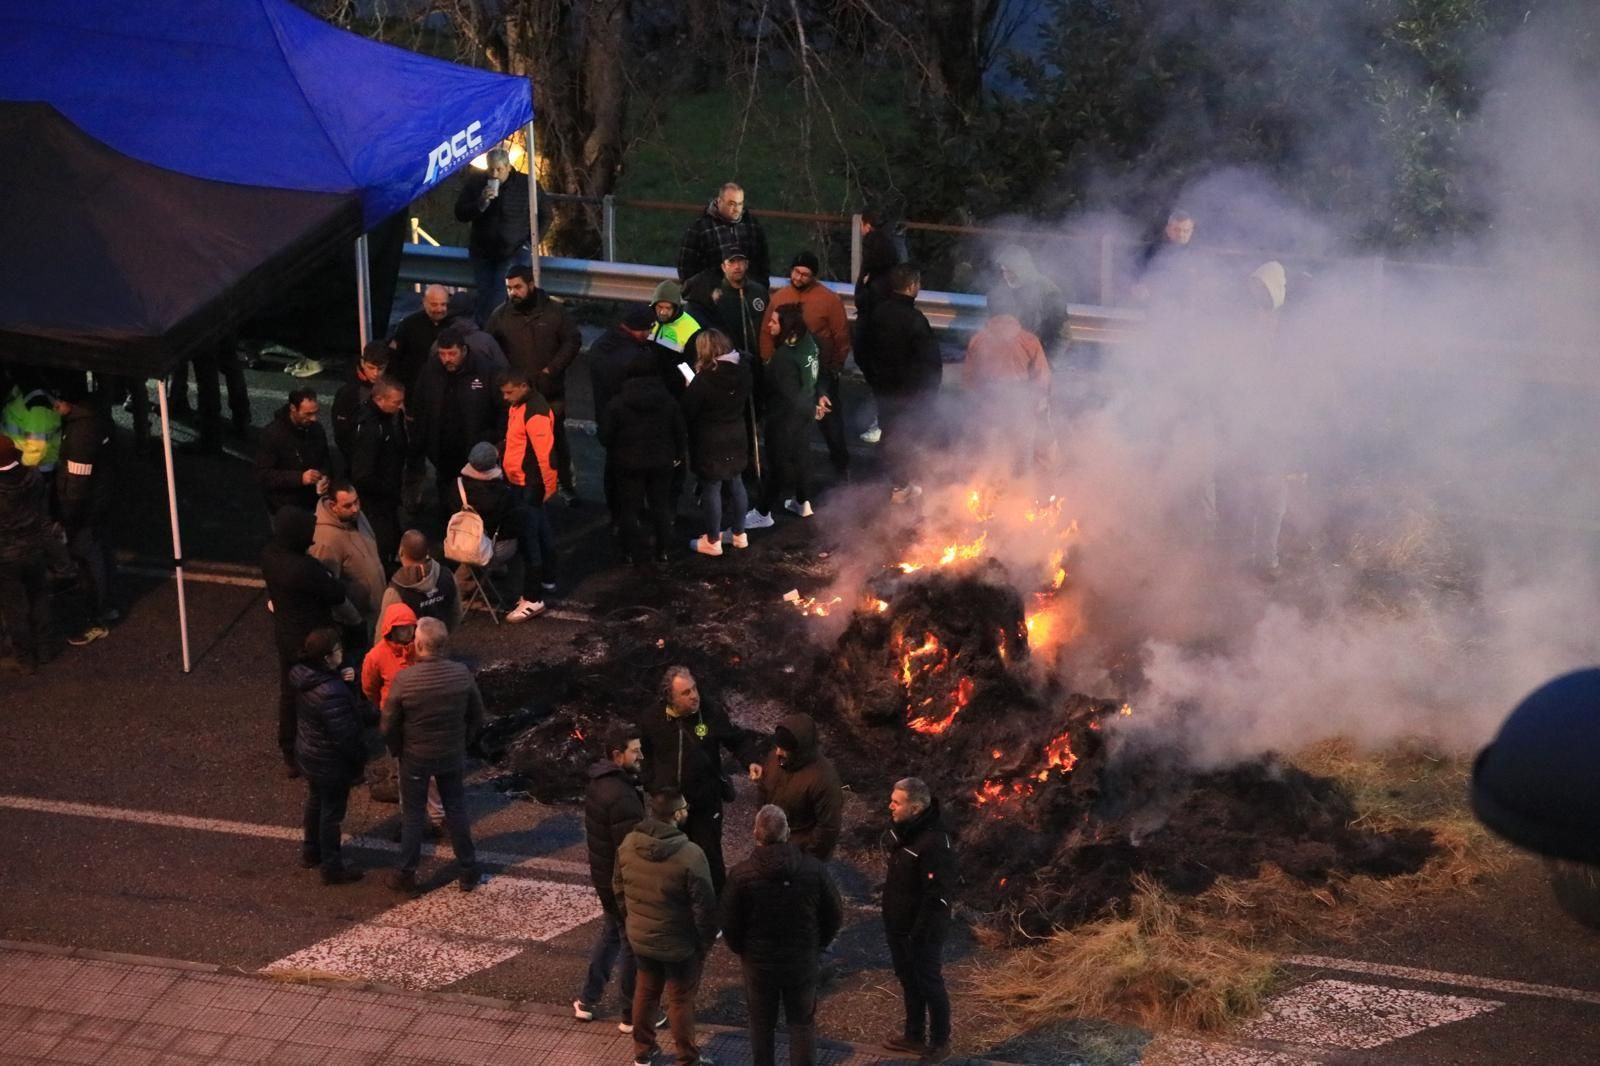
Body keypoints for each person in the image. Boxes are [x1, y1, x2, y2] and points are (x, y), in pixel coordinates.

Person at [721, 805, 844, 1066]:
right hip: (801, 959)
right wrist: (818, 943)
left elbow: (730, 923)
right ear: (787, 832)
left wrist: (743, 949)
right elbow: (834, 913)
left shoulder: (741, 875)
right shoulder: (813, 869)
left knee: (761, 1023)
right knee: (801, 1022)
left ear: (756, 832)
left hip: (758, 962)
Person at [613, 788, 719, 1066]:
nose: (687, 811)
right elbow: (705, 907)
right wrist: (703, 942)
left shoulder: (628, 844)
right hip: (680, 944)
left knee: (646, 991)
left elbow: (619, 888)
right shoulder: (690, 855)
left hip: (642, 937)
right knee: (680, 1000)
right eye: (683, 808)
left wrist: (633, 919)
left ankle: (643, 1051)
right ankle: (686, 1058)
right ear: (676, 815)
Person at [381, 616, 484, 893]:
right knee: (455, 808)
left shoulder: (405, 679)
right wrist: (464, 741)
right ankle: (468, 868)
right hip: (451, 753)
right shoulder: (461, 674)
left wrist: (397, 749)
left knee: (413, 815)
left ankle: (406, 873)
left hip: (415, 755)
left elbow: (389, 722)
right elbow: (477, 715)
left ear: (418, 645)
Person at [637, 665, 760, 895]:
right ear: (670, 698)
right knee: (673, 861)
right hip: (670, 809)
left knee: (710, 860)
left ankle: (719, 914)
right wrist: (652, 785)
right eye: (686, 693)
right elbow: (645, 754)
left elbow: (736, 740)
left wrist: (751, 760)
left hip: (705, 805)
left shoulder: (711, 712)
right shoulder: (651, 719)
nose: (694, 696)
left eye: (694, 689)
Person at [262, 507, 357, 776]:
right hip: (313, 636)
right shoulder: (303, 569)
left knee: (289, 692)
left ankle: (290, 749)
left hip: (285, 634)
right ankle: (331, 745)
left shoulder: (270, 555)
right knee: (329, 689)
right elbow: (336, 593)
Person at [574, 723, 647, 1031]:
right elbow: (630, 848)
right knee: (631, 943)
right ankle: (631, 1013)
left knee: (611, 934)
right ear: (618, 756)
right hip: (621, 883)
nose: (641, 755)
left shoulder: (599, 782)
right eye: (636, 751)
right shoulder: (622, 797)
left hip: (604, 878)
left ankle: (587, 999)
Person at [488, 266, 581, 501]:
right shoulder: (500, 316)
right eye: (509, 288)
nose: (513, 293)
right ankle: (516, 484)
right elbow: (488, 347)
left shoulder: (555, 312)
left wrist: (552, 369)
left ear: (530, 284)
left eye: (517, 287)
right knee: (515, 442)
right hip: (516, 398)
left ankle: (565, 485)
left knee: (555, 440)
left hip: (550, 393)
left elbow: (572, 340)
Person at [882, 777, 957, 1064]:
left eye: (896, 802)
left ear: (915, 808)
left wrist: (919, 934)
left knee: (928, 982)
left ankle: (940, 1041)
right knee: (909, 981)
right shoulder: (906, 832)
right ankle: (913, 1035)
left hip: (921, 931)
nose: (890, 806)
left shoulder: (936, 843)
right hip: (899, 925)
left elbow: (938, 896)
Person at [760, 252, 852, 480]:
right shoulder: (780, 298)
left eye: (805, 274)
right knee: (790, 424)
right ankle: (792, 473)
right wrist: (769, 361)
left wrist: (835, 367)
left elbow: (841, 336)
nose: (799, 277)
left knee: (830, 423)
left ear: (814, 275)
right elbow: (765, 332)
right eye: (796, 272)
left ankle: (841, 467)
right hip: (788, 373)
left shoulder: (829, 300)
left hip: (820, 371)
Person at [292, 626, 367, 886]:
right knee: (332, 814)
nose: (341, 653)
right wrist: (359, 761)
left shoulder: (303, 675)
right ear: (326, 657)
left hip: (310, 753)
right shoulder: (332, 692)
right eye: (337, 650)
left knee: (315, 801)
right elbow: (346, 734)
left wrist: (341, 679)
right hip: (330, 762)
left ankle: (310, 851)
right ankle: (332, 867)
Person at [861, 263, 943, 502]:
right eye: (918, 283)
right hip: (911, 393)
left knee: (891, 434)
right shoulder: (915, 319)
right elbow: (930, 362)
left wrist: (874, 379)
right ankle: (908, 484)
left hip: (883, 390)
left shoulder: (877, 313)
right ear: (912, 286)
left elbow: (863, 351)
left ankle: (897, 484)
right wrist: (930, 393)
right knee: (912, 436)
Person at [408, 326, 507, 515]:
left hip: (475, 449)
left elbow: (502, 409)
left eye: (451, 353)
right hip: (442, 450)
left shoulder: (486, 371)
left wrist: (496, 441)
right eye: (442, 354)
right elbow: (420, 405)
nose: (447, 359)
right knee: (446, 497)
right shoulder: (431, 370)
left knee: (478, 499)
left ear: (463, 350)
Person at [598, 358, 687, 566]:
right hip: (661, 462)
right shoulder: (668, 400)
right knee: (660, 506)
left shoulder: (618, 403)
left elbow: (605, 436)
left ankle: (628, 552)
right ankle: (662, 550)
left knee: (629, 508)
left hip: (628, 463)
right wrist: (678, 455)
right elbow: (680, 432)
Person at [53, 382, 118, 645]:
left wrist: (67, 518)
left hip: (85, 508)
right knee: (100, 551)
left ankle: (95, 617)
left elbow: (77, 487)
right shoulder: (95, 417)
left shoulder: (81, 435)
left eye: (57, 403)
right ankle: (106, 604)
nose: (54, 408)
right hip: (99, 499)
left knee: (87, 557)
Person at [680, 329, 752, 557]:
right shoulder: (743, 369)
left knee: (712, 486)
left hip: (711, 439)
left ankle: (713, 540)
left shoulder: (704, 380)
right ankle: (740, 535)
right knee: (736, 481)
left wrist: (689, 386)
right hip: (737, 434)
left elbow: (688, 410)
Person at [587, 307, 658, 533]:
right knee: (632, 472)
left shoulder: (602, 346)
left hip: (607, 418)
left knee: (614, 468)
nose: (648, 334)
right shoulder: (635, 357)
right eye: (646, 330)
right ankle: (630, 514)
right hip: (631, 423)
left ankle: (618, 514)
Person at [455, 148, 543, 327]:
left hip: (513, 250)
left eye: (499, 169)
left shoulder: (526, 185)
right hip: (483, 252)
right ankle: (486, 335)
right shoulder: (476, 183)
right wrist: (481, 203)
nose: (494, 174)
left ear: (509, 168)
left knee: (498, 294)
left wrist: (531, 243)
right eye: (491, 169)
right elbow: (460, 213)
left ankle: (490, 335)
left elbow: (546, 214)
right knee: (485, 294)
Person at [499, 373, 559, 619]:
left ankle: (532, 598)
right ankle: (548, 579)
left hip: (529, 484)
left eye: (509, 392)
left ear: (524, 386)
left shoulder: (534, 412)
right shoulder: (521, 405)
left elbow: (546, 455)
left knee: (529, 539)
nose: (505, 398)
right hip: (524, 481)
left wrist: (548, 486)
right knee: (541, 532)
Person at [759, 304, 825, 521]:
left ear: (787, 327)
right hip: (805, 412)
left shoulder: (784, 358)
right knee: (802, 456)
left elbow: (787, 393)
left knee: (778, 463)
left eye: (774, 321)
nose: (769, 325)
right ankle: (803, 501)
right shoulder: (809, 343)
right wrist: (816, 401)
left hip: (785, 417)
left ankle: (762, 512)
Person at [752, 713, 844, 862]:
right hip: (771, 845)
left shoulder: (824, 779)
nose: (778, 752)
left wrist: (806, 859)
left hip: (800, 854)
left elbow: (828, 828)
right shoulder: (774, 760)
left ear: (799, 748)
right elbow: (763, 790)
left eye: (784, 749)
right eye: (778, 746)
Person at [0, 435, 55, 674]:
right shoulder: (33, 476)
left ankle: (25, 658)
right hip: (35, 546)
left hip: (6, 555)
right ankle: (44, 649)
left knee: (14, 608)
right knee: (39, 597)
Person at [309, 479, 386, 645]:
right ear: (332, 506)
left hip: (375, 612)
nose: (356, 508)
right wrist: (354, 620)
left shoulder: (356, 517)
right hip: (359, 620)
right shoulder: (326, 541)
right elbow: (328, 589)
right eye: (348, 505)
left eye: (357, 501)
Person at [347, 376, 409, 569]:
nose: (400, 407)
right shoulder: (371, 428)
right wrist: (387, 489)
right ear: (380, 399)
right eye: (396, 402)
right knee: (381, 542)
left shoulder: (388, 417)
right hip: (376, 499)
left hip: (387, 493)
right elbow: (363, 473)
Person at [677, 181, 771, 285]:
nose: (736, 209)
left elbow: (763, 262)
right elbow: (686, 268)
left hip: (747, 294)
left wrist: (760, 290)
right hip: (710, 295)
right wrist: (701, 295)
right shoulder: (700, 228)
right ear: (719, 201)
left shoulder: (752, 226)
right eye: (731, 204)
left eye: (740, 204)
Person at [255, 389, 330, 516]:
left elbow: (325, 459)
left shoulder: (316, 430)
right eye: (308, 414)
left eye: (315, 412)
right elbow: (263, 475)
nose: (314, 418)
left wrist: (324, 476)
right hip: (285, 507)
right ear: (293, 408)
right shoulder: (272, 435)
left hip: (313, 502)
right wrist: (300, 478)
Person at [986, 244, 1068, 356]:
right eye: (1004, 271)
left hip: (1039, 354)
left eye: (1010, 271)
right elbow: (992, 328)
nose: (1006, 276)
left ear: (1022, 268)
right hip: (1009, 357)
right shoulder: (998, 293)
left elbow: (1062, 336)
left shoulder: (1049, 292)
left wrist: (1048, 365)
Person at [380, 530, 464, 631]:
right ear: (427, 552)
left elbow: (384, 630)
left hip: (409, 646)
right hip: (440, 640)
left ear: (401, 552)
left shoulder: (395, 590)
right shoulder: (448, 576)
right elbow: (456, 614)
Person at [388, 285, 456, 392]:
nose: (439, 309)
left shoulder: (453, 325)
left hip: (445, 390)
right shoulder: (408, 325)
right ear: (424, 302)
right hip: (413, 389)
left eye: (443, 304)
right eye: (434, 304)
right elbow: (393, 360)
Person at [333, 342, 391, 466]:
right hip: (358, 456)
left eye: (380, 368)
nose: (376, 373)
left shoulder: (390, 384)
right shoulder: (349, 392)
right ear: (363, 363)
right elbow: (341, 432)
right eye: (371, 368)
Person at [648, 280, 705, 380]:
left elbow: (693, 367)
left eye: (668, 308)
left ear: (676, 308)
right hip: (648, 379)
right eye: (660, 307)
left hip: (674, 384)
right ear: (654, 306)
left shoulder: (690, 328)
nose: (663, 312)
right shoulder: (647, 318)